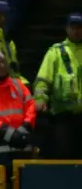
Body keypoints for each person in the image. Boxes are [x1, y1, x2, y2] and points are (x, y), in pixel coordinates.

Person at [34, 12, 82, 159]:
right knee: (65, 156)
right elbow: (43, 80)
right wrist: (40, 99)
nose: (76, 30)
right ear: (66, 29)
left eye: (80, 27)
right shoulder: (56, 52)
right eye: (73, 27)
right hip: (63, 116)